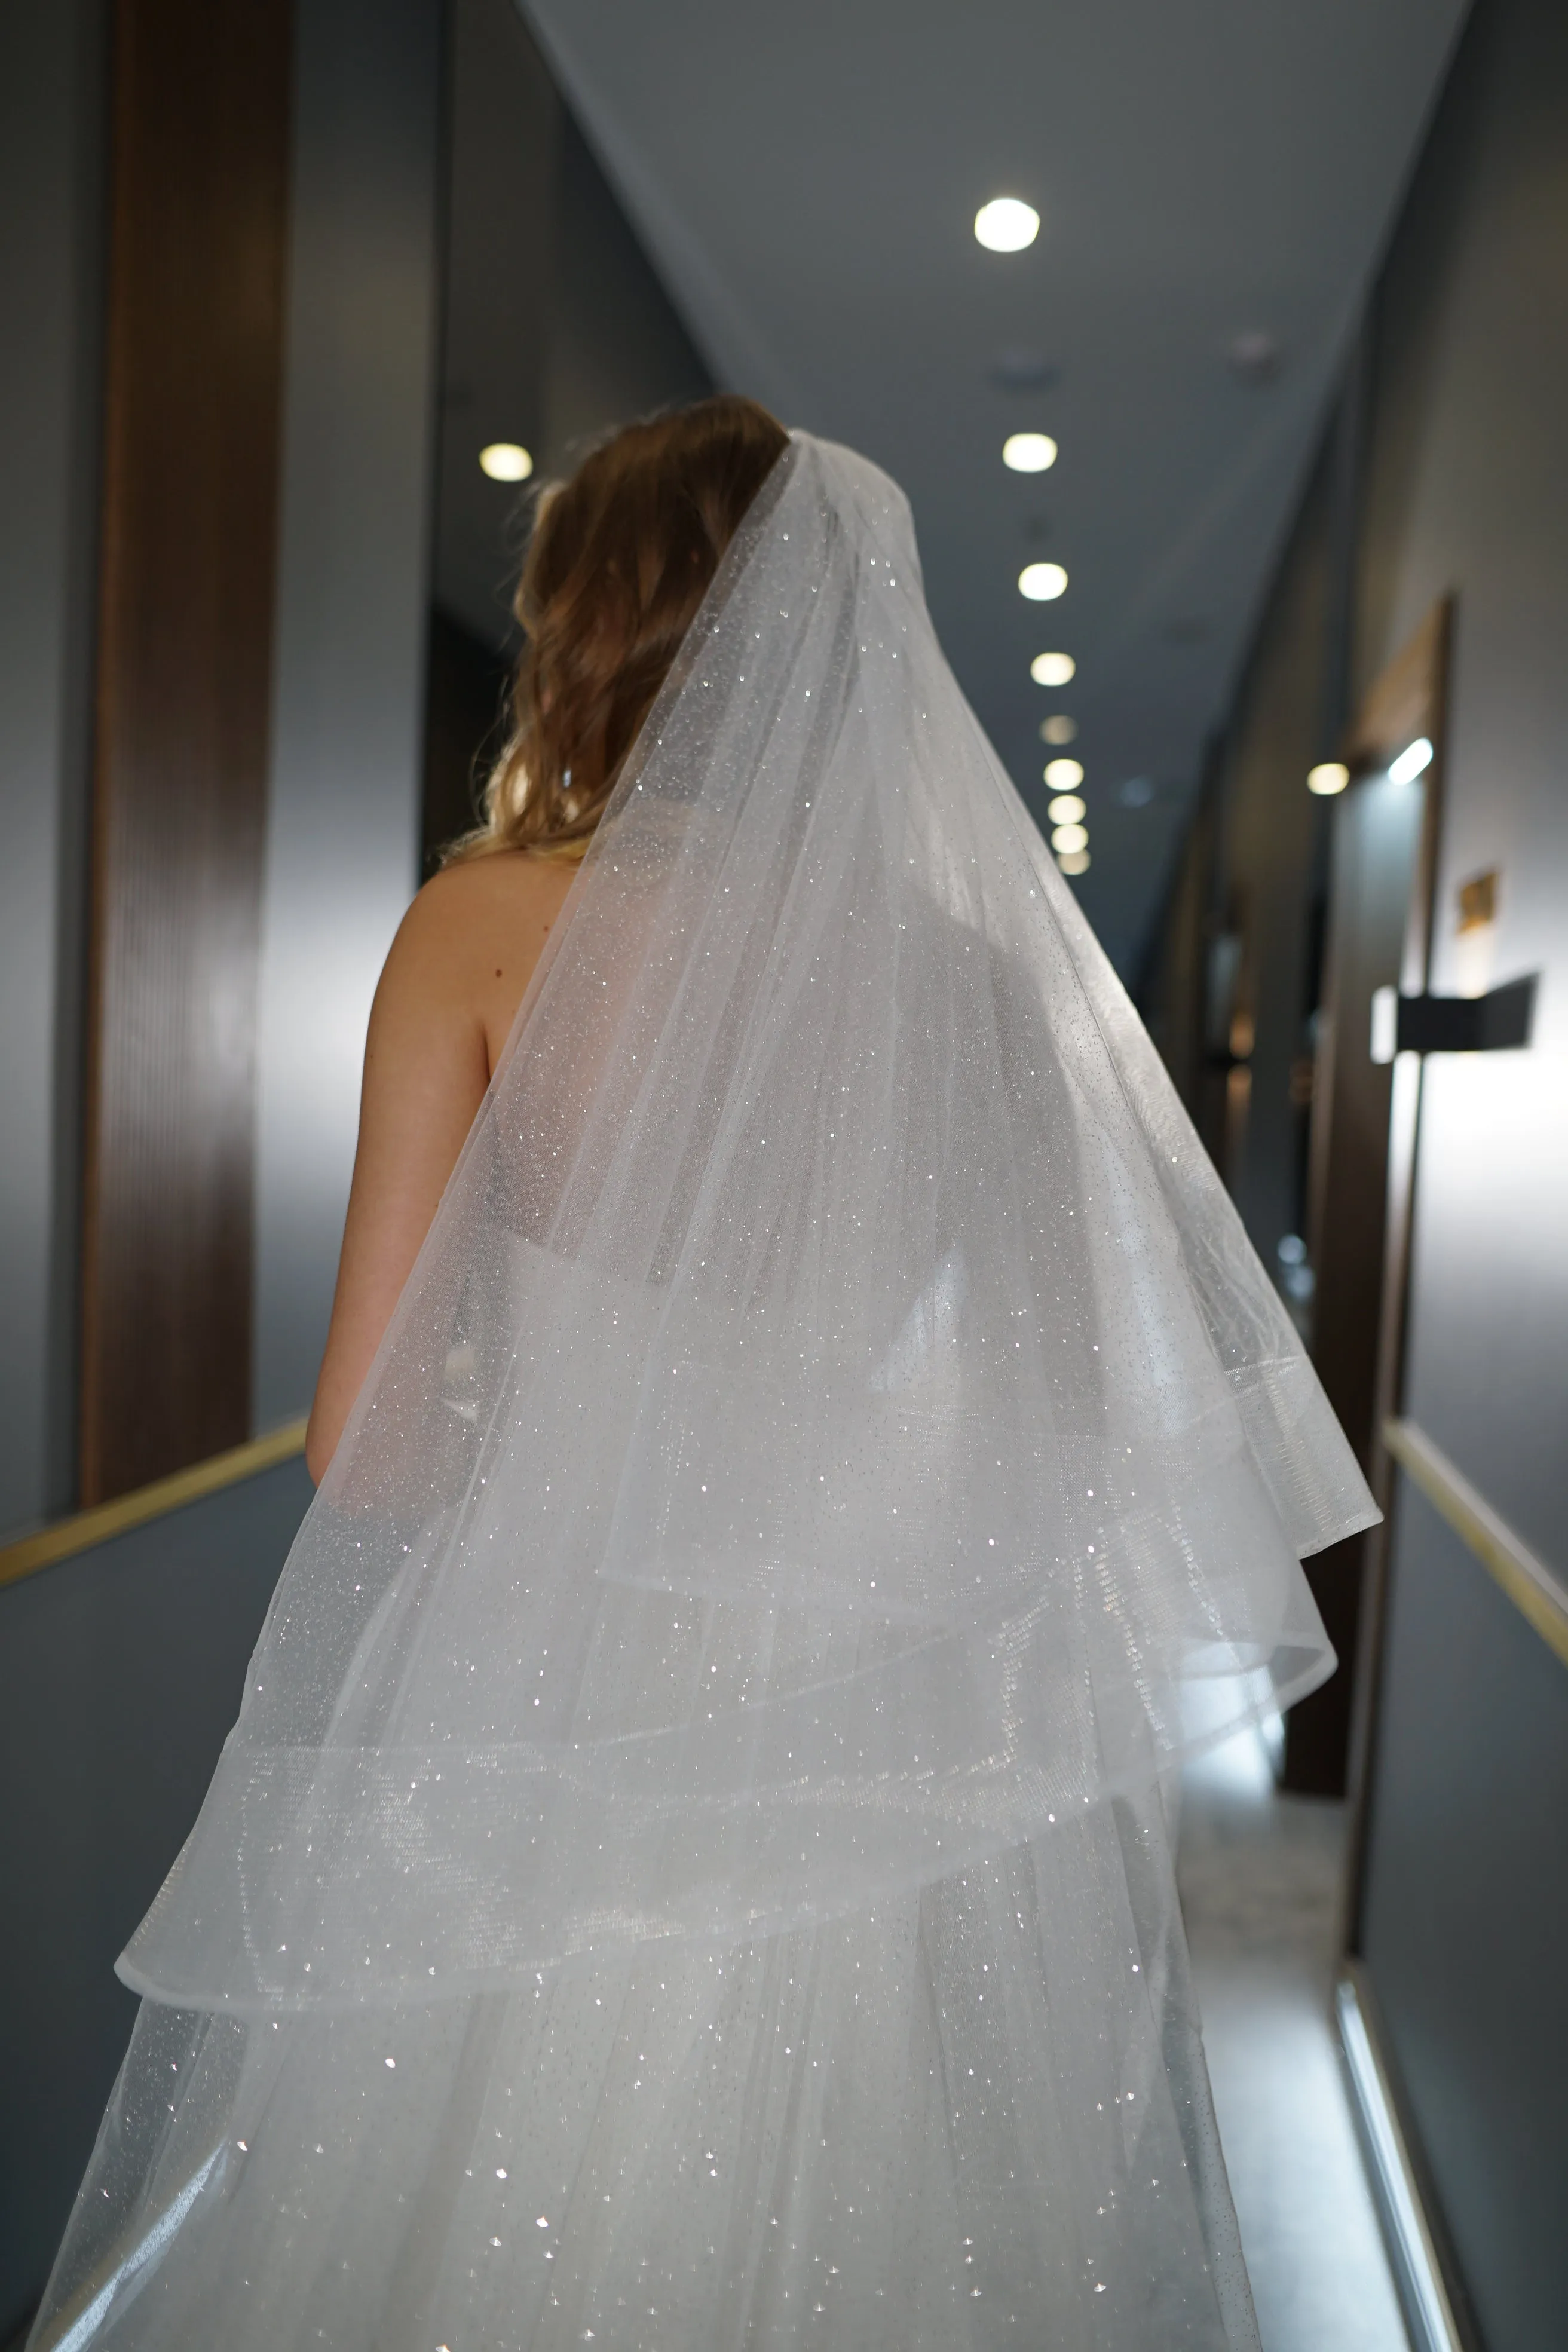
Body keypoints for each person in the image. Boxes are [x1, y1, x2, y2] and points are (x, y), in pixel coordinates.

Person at [30, 396, 1376, 2351]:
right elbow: (1068, 1435)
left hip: (549, 1712)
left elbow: (365, 1442)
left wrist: (561, 1416)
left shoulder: (481, 934)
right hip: (887, 1733)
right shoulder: (986, 979)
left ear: (594, 627)